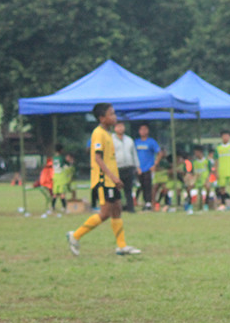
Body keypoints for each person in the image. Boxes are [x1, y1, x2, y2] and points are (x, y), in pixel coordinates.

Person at [66, 103, 141, 256]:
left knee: (117, 209)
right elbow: (98, 158)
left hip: (111, 180)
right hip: (104, 181)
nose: (115, 117)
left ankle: (121, 246)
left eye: (114, 113)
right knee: (105, 213)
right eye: (111, 114)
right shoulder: (98, 133)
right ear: (102, 118)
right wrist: (113, 177)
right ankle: (75, 236)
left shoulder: (108, 133)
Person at [113, 122, 140, 213]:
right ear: (115, 128)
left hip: (128, 167)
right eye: (118, 126)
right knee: (116, 189)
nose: (120, 128)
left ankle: (130, 208)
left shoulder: (129, 140)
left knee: (128, 189)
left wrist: (137, 166)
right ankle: (117, 208)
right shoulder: (111, 139)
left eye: (122, 126)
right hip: (117, 167)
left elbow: (134, 154)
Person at [134, 124, 163, 211]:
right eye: (141, 129)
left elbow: (159, 153)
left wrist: (155, 164)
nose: (143, 131)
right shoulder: (136, 142)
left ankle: (149, 203)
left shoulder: (151, 142)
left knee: (148, 186)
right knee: (142, 186)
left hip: (148, 168)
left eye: (145, 129)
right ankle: (145, 202)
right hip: (139, 168)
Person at [215, 130, 230, 211]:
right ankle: (222, 204)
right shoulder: (218, 148)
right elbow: (216, 160)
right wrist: (216, 171)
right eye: (224, 136)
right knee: (222, 188)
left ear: (229, 137)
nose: (225, 138)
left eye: (227, 136)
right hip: (222, 170)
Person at [191, 146, 210, 211]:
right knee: (190, 188)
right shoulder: (194, 162)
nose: (195, 154)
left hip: (205, 180)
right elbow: (194, 173)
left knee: (207, 188)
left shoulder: (207, 161)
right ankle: (191, 205)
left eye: (196, 152)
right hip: (197, 181)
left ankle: (206, 205)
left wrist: (207, 180)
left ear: (201, 152)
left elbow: (210, 172)